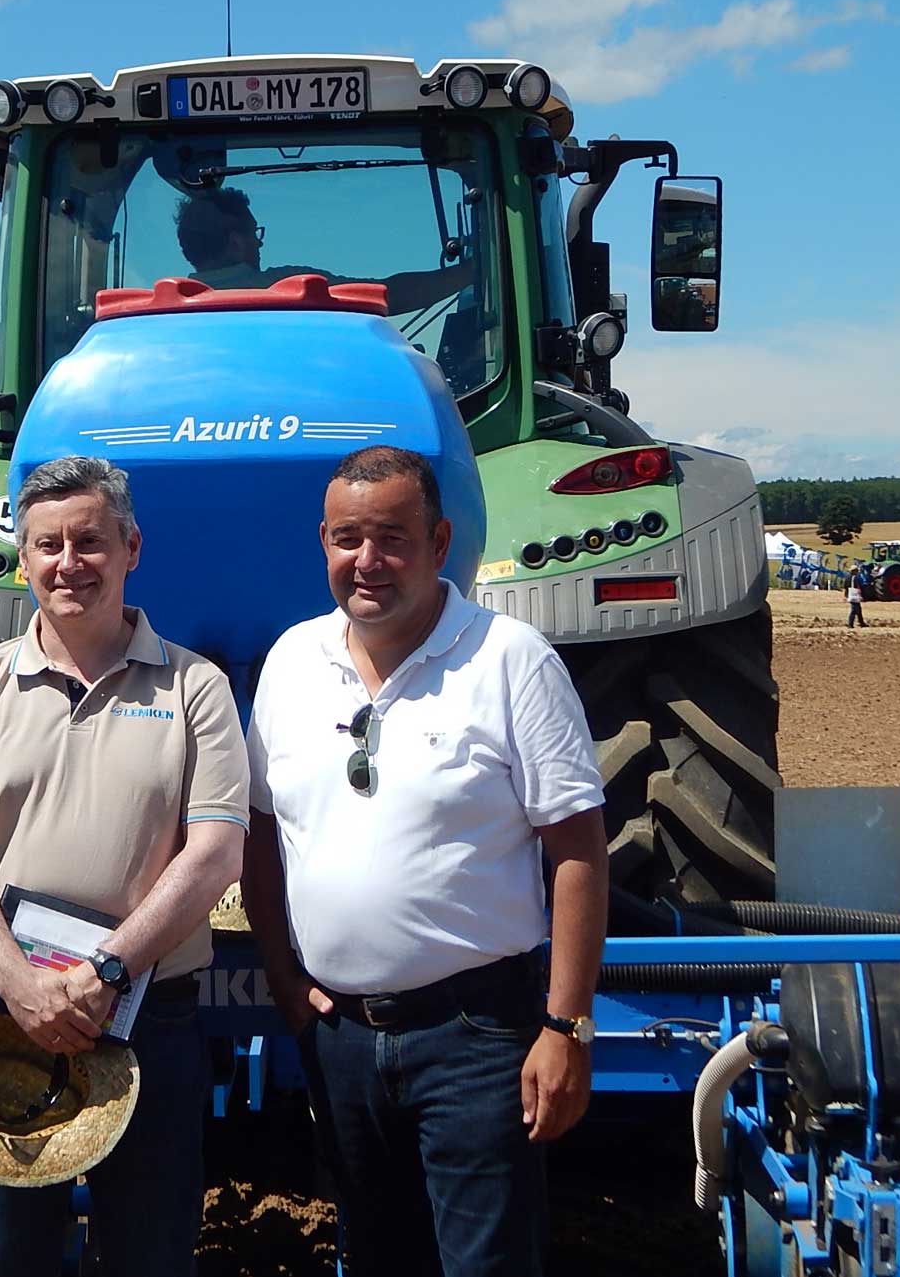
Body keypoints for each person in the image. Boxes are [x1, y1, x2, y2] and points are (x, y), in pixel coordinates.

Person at [241, 446, 608, 1276]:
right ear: (323, 542)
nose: (367, 561)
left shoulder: (510, 661)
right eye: (347, 538)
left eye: (393, 537)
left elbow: (578, 848)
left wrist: (566, 1025)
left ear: (441, 542)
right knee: (373, 1257)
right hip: (338, 1036)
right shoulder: (292, 662)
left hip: (479, 1038)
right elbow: (261, 835)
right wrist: (283, 976)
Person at [0, 455, 249, 1277]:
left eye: (91, 541)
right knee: (5, 1262)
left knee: (152, 1254)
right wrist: (22, 984)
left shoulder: (195, 687)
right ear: (22, 558)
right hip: (2, 1017)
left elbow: (215, 851)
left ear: (132, 546)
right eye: (48, 545)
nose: (70, 563)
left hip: (149, 1017)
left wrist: (109, 969)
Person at [173, 185, 472, 313]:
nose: (259, 242)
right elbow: (389, 296)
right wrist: (474, 271)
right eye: (254, 234)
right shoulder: (291, 289)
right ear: (237, 241)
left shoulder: (166, 309)